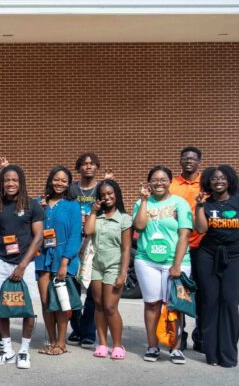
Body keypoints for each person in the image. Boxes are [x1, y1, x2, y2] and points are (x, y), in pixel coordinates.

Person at [0, 164, 44, 369]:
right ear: (2, 182)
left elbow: (39, 237)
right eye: (7, 180)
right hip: (0, 260)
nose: (10, 183)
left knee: (27, 309)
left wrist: (23, 265)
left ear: (21, 182)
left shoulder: (33, 205)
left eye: (14, 180)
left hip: (25, 263)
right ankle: (7, 349)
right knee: (1, 306)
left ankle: (24, 351)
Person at [193, 165, 239, 367]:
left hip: (234, 256)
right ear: (208, 183)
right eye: (213, 179)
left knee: (229, 302)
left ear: (229, 180)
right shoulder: (206, 204)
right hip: (208, 255)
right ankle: (211, 353)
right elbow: (201, 229)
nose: (218, 181)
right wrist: (199, 207)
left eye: (222, 178)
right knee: (210, 302)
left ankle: (228, 354)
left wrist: (234, 242)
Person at [132, 166, 192, 365]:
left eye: (163, 179)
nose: (159, 183)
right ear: (149, 183)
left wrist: (176, 265)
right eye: (155, 180)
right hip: (146, 260)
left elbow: (184, 235)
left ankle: (175, 348)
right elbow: (139, 227)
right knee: (152, 304)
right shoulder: (141, 203)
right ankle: (152, 346)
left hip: (175, 262)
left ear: (170, 181)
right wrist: (144, 201)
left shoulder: (179, 204)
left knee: (174, 305)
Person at [35, 167, 83, 356]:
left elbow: (75, 237)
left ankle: (62, 342)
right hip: (42, 259)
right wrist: (41, 209)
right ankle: (51, 340)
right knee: (47, 302)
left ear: (69, 183)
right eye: (56, 179)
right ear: (50, 180)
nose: (60, 183)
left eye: (64, 180)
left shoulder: (72, 205)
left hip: (62, 258)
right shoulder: (41, 202)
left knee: (61, 302)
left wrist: (65, 262)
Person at [83, 180, 132, 360]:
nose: (107, 197)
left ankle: (117, 345)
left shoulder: (124, 219)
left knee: (110, 306)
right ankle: (102, 343)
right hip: (97, 265)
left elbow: (127, 249)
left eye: (110, 193)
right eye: (103, 194)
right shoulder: (98, 216)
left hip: (114, 265)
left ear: (116, 194)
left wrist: (122, 273)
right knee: (99, 305)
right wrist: (94, 211)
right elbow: (88, 231)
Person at [68, 153, 106, 346]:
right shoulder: (72, 188)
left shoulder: (102, 188)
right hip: (74, 242)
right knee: (71, 288)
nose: (88, 167)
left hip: (95, 243)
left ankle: (88, 332)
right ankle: (77, 327)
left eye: (92, 164)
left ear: (97, 167)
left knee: (92, 290)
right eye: (84, 164)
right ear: (79, 168)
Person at [169, 146, 204, 351]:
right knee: (179, 293)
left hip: (201, 245)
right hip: (177, 246)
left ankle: (201, 335)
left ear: (199, 161)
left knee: (202, 294)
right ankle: (179, 335)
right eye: (185, 158)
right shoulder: (172, 184)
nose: (189, 161)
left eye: (193, 158)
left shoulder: (205, 184)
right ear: (180, 161)